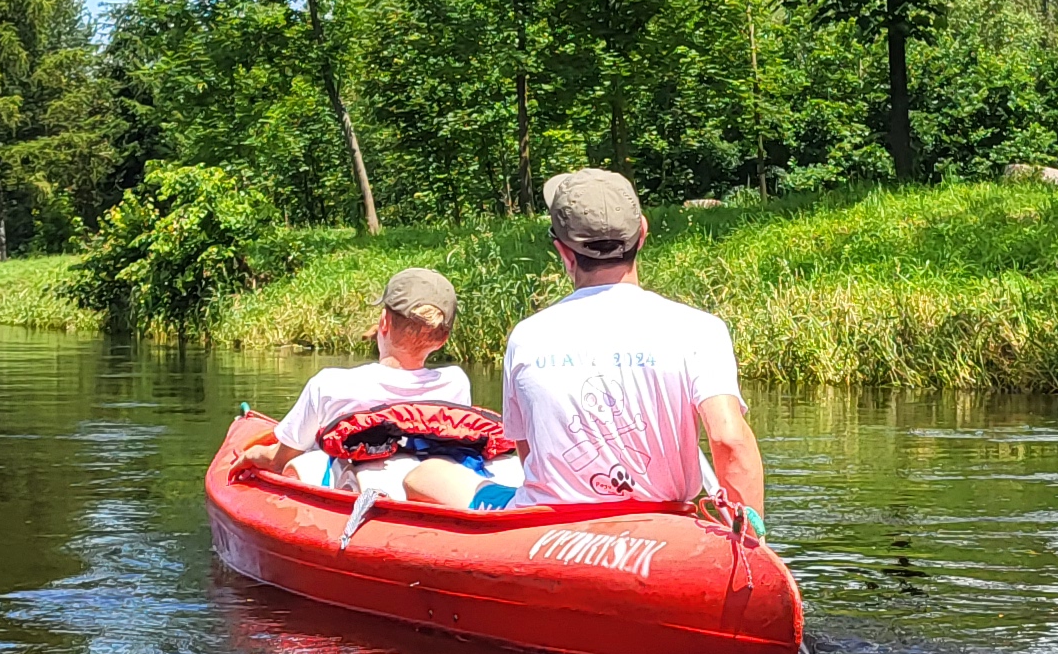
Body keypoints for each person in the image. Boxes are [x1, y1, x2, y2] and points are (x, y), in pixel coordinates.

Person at [497, 169, 769, 539]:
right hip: (664, 528)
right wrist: (751, 544)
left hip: (550, 532)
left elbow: (530, 456)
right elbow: (729, 441)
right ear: (642, 232)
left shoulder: (527, 336)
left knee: (432, 478)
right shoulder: (700, 329)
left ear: (562, 251)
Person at [235, 267, 503, 507]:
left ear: (383, 322)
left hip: (356, 493)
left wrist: (257, 454)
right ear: (442, 339)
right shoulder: (455, 383)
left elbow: (278, 460)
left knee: (307, 463)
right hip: (429, 487)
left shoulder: (331, 383)